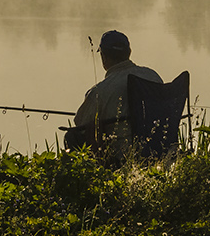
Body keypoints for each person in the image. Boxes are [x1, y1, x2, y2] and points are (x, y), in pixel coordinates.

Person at [66, 30, 162, 161]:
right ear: (129, 53)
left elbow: (80, 123)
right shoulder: (152, 76)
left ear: (104, 57)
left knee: (72, 136)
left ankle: (92, 178)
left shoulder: (100, 91)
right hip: (159, 148)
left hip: (122, 157)